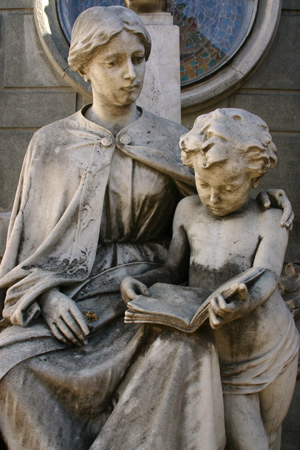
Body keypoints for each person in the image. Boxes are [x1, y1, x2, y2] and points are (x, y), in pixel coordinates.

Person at [0, 7, 293, 449]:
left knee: (184, 354)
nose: (130, 74)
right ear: (84, 67)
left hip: (148, 295)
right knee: (12, 368)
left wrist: (259, 198)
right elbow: (27, 251)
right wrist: (50, 297)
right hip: (74, 296)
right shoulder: (51, 144)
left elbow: (213, 205)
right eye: (113, 62)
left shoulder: (171, 140)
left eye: (137, 59)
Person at [121, 108, 299, 450]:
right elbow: (173, 269)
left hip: (274, 343)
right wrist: (143, 282)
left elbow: (266, 276)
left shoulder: (269, 218)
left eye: (230, 187)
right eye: (203, 185)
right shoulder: (187, 211)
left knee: (272, 435)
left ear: (254, 178)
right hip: (223, 352)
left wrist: (241, 298)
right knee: (248, 442)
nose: (214, 198)